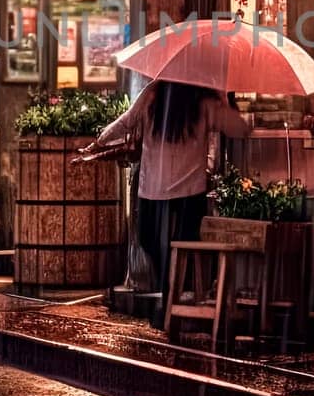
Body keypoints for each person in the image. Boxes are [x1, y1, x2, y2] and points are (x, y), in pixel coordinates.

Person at [87, 80, 250, 297]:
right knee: (178, 247)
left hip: (159, 188)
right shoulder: (195, 99)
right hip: (184, 191)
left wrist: (99, 141)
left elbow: (127, 121)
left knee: (155, 242)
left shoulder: (161, 93)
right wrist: (226, 102)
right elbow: (240, 128)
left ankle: (170, 295)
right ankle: (173, 293)